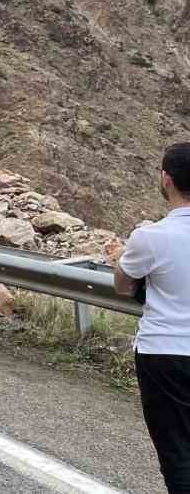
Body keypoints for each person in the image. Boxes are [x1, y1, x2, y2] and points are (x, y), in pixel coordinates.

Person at [114, 143, 190, 493]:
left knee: (177, 452)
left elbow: (122, 286)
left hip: (164, 353)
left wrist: (121, 258)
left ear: (166, 179)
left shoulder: (149, 237)